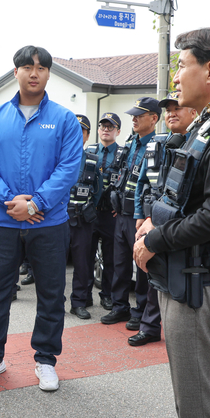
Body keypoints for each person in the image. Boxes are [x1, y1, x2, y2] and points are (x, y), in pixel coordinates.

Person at [133, 27, 210, 418]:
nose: (175, 77)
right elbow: (185, 198)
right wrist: (155, 219)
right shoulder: (207, 125)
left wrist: (154, 238)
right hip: (182, 276)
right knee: (188, 395)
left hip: (199, 284)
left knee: (197, 400)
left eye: (182, 65)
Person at [0, 45, 82, 391]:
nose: (34, 73)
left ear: (48, 74)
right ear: (15, 72)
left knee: (50, 293)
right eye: (27, 67)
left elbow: (69, 168)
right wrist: (8, 199)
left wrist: (35, 205)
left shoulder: (64, 119)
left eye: (42, 68)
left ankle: (45, 360)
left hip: (49, 222)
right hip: (4, 221)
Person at [127, 92, 197, 347]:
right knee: (149, 274)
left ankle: (180, 333)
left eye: (178, 108)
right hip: (151, 219)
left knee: (177, 278)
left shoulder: (199, 145)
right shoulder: (156, 143)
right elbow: (141, 183)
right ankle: (149, 326)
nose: (172, 113)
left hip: (179, 225)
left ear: (193, 112)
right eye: (168, 109)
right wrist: (139, 214)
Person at [102, 98, 160, 328]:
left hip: (141, 219)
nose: (134, 119)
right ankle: (120, 307)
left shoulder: (157, 145)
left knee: (142, 265)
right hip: (122, 215)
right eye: (133, 115)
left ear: (154, 118)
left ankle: (141, 310)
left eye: (140, 115)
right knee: (120, 263)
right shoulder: (131, 142)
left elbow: (154, 186)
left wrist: (146, 217)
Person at [67, 114, 101, 319]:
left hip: (82, 221)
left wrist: (87, 209)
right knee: (54, 265)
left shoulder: (92, 160)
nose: (77, 134)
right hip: (59, 219)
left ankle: (78, 302)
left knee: (82, 264)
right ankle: (54, 303)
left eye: (82, 131)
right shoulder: (55, 157)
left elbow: (97, 192)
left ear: (87, 136)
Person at [87, 113, 120, 312]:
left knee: (110, 258)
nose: (106, 129)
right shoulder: (89, 151)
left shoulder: (123, 153)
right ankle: (83, 296)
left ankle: (106, 295)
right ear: (98, 130)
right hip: (90, 213)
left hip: (110, 215)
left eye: (110, 127)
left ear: (118, 131)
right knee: (85, 256)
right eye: (103, 126)